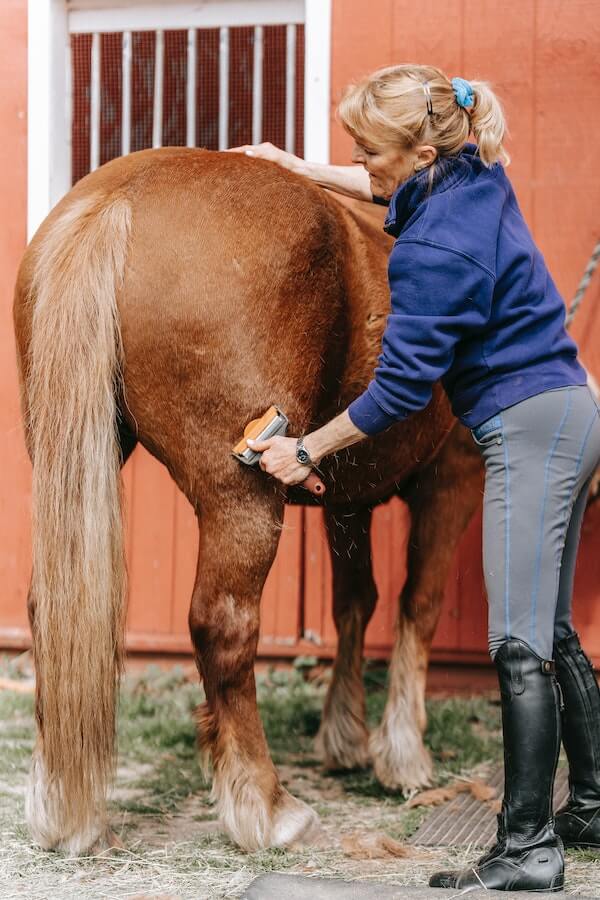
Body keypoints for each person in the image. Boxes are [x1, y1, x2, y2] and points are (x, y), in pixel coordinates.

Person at [227, 64, 600, 891]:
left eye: (368, 149)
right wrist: (295, 166)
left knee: (517, 644)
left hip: (526, 426)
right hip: (569, 410)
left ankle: (531, 847)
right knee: (555, 630)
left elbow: (396, 391)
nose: (358, 160)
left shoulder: (434, 249)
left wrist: (308, 450)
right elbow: (379, 178)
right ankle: (596, 805)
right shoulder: (473, 172)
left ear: (422, 151)